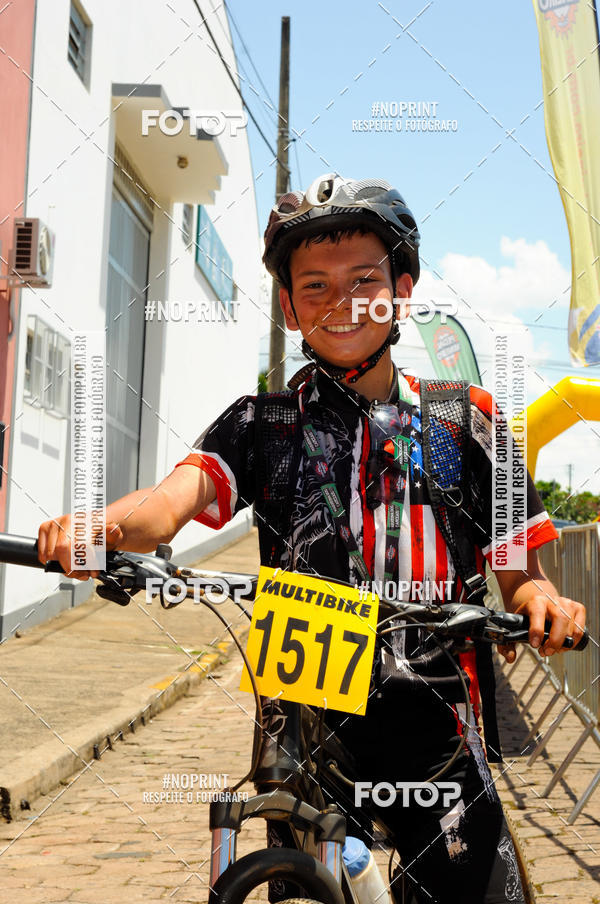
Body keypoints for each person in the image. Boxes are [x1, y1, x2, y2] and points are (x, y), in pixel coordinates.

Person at [38, 173, 586, 904]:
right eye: (316, 288)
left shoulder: (467, 422)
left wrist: (545, 602)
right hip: (306, 734)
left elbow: (523, 574)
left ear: (403, 287)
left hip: (442, 728)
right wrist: (100, 525)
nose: (343, 304)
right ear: (292, 308)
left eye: (364, 280)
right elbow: (168, 506)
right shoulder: (261, 424)